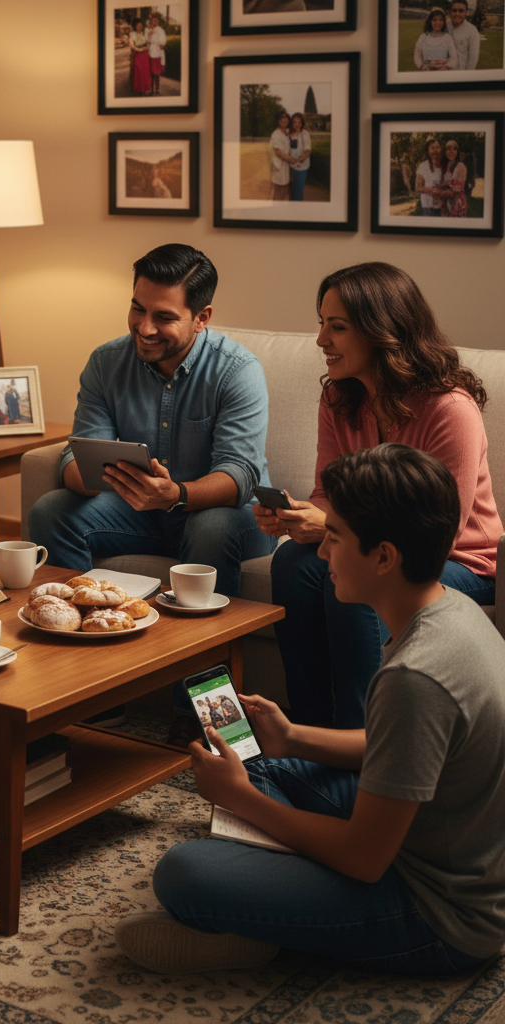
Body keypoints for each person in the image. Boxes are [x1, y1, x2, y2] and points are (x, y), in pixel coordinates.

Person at [115, 445, 505, 977]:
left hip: (440, 914)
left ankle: (262, 929)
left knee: (184, 872)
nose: (322, 555)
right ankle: (279, 898)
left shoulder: (415, 675)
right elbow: (404, 748)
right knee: (262, 763)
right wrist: (293, 736)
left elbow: (365, 859)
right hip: (427, 838)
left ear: (384, 557)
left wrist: (242, 801)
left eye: (336, 537)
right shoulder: (447, 610)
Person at [255, 263, 499, 729]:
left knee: (353, 577)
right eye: (322, 323)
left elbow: (438, 533)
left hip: (463, 561)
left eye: (338, 327)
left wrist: (327, 527)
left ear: (383, 331)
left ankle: (361, 742)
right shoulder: (339, 399)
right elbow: (328, 493)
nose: (322, 339)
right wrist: (300, 517)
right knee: (291, 563)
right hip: (374, 546)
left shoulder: (449, 408)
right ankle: (307, 730)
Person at [29, 243, 277, 600]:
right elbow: (77, 457)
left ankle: (204, 651)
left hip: (227, 516)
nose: (144, 328)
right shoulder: (105, 363)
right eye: (137, 308)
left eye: (164, 317)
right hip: (139, 511)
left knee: (211, 527)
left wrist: (175, 494)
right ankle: (83, 625)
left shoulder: (237, 371)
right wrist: (99, 475)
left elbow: (239, 473)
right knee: (52, 510)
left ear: (201, 317)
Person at [437, 139, 470, 218]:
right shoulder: (444, 166)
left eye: (454, 149)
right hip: (445, 206)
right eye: (448, 148)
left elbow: (458, 189)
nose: (451, 151)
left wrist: (437, 192)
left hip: (457, 205)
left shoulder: (461, 166)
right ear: (445, 151)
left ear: (457, 152)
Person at [414, 136, 446, 216]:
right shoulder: (423, 166)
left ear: (440, 149)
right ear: (428, 151)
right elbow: (417, 187)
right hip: (428, 206)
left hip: (444, 206)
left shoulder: (445, 165)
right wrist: (430, 190)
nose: (435, 150)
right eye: (432, 148)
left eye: (437, 147)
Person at [447, 1, 480, 71]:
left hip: (461, 74)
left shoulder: (472, 31)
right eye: (454, 10)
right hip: (444, 73)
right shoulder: (445, 28)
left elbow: (473, 59)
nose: (457, 14)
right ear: (450, 12)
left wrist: (466, 77)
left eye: (461, 11)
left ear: (466, 13)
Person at [288, 112, 311, 202]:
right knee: (291, 190)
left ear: (302, 123)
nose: (297, 125)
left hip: (301, 166)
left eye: (299, 122)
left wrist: (299, 159)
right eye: (295, 122)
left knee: (298, 191)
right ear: (292, 123)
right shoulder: (289, 134)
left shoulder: (305, 134)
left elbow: (308, 150)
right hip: (290, 165)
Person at [269, 111, 292, 202]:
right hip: (278, 164)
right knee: (278, 188)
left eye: (286, 120)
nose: (284, 121)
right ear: (278, 121)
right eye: (281, 120)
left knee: (285, 188)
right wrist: (292, 159)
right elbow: (278, 151)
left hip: (286, 165)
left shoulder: (288, 133)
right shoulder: (276, 134)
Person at [129, 19, 151, 96]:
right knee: (138, 70)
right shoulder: (133, 34)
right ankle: (138, 88)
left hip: (144, 54)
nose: (140, 27)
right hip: (137, 53)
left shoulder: (144, 33)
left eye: (141, 25)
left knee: (145, 71)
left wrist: (146, 47)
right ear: (135, 26)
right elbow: (131, 44)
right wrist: (137, 49)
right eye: (138, 25)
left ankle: (145, 89)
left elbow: (148, 42)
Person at [147, 13, 167, 96]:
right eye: (152, 20)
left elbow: (162, 42)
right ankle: (151, 90)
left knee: (157, 74)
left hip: (158, 55)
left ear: (158, 21)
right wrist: (150, 35)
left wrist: (154, 38)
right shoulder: (149, 30)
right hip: (150, 54)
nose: (154, 22)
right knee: (151, 74)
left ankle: (157, 90)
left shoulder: (161, 30)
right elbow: (147, 42)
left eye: (155, 20)